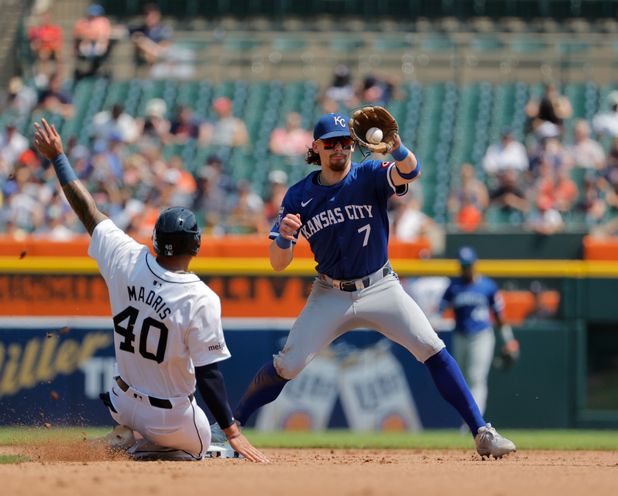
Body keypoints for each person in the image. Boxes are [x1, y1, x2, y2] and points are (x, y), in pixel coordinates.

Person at [233, 112, 516, 459]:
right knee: (286, 366)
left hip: (381, 286)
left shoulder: (368, 175)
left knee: (432, 348)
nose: (340, 148)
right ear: (316, 149)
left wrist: (397, 149)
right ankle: (230, 427)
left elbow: (411, 171)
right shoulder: (298, 196)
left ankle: (481, 431)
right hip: (329, 293)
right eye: (331, 143)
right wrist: (285, 240)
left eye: (345, 142)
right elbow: (278, 263)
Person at [31, 118, 267, 464]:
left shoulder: (127, 257)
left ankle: (130, 435)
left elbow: (88, 211)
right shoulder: (200, 297)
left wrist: (58, 158)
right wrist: (233, 432)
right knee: (206, 449)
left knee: (153, 420)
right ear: (197, 245)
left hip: (122, 402)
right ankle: (143, 446)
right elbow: (209, 374)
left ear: (156, 240)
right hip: (170, 419)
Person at [439, 247, 519, 415]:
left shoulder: (487, 286)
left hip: (482, 336)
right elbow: (438, 312)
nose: (465, 268)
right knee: (461, 380)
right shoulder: (453, 286)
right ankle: (468, 419)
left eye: (468, 265)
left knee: (476, 378)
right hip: (460, 335)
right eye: (463, 265)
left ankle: (475, 422)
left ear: (474, 264)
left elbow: (499, 316)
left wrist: (509, 340)